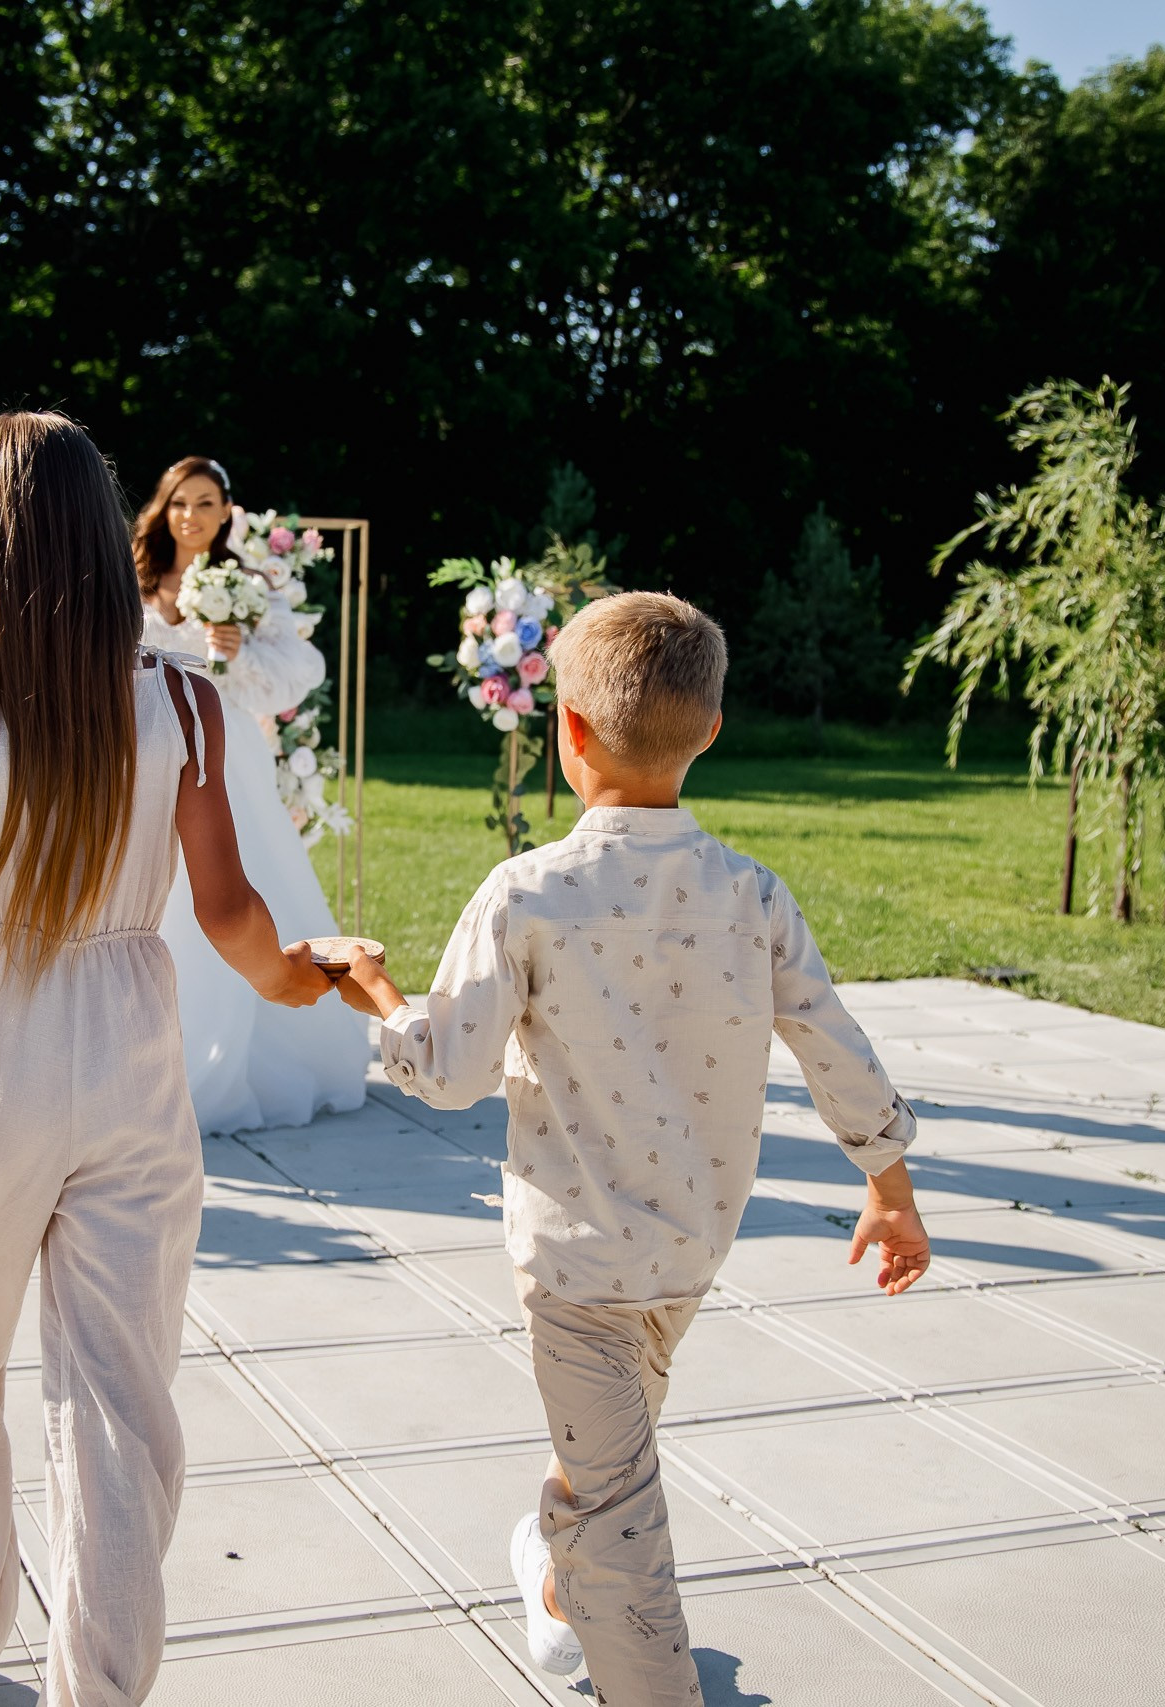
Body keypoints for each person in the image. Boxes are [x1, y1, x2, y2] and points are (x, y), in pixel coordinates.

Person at [329, 592, 931, 1704]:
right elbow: (832, 1042)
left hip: (573, 1266)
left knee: (615, 1507)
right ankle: (561, 1589)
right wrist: (887, 1187)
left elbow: (450, 1073)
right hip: (689, 1252)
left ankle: (604, 1629)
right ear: (710, 729)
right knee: (613, 1466)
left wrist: (375, 994)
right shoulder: (753, 895)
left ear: (565, 732)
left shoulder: (527, 895)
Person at [0, 412, 335, 1707]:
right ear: (94, 542)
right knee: (120, 1407)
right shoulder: (181, 700)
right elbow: (231, 913)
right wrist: (300, 977)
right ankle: (101, 1686)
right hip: (130, 1053)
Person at [133, 455, 369, 1131]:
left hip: (225, 747)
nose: (192, 515)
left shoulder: (251, 585)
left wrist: (233, 653)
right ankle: (153, 1048)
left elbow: (299, 672)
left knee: (240, 875)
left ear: (226, 511)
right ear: (164, 508)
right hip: (149, 749)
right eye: (181, 501)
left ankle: (263, 1039)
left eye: (206, 502)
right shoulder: (136, 577)